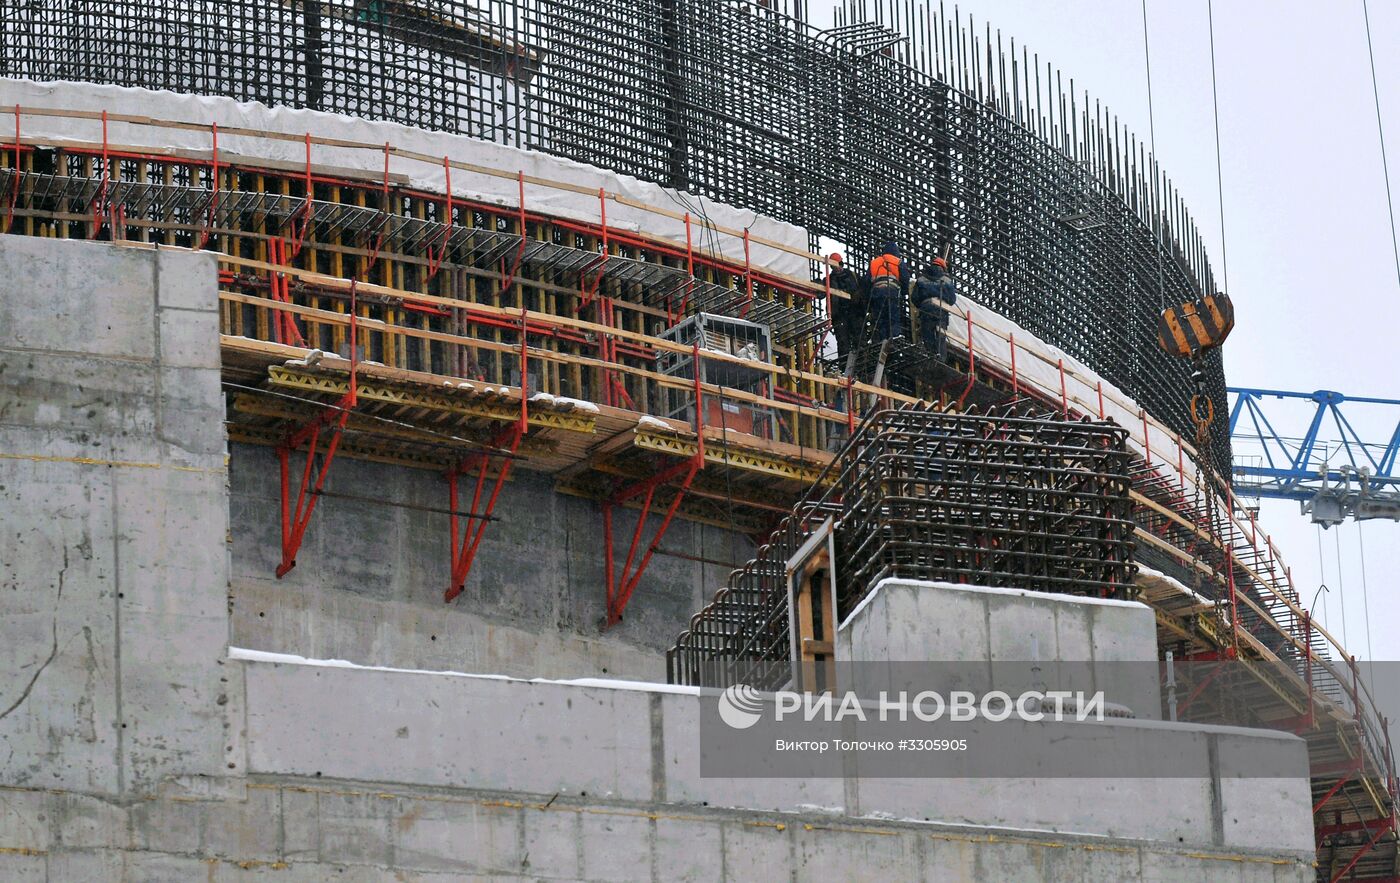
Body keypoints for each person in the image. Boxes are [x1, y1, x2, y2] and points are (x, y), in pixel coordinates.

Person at [913, 256, 957, 360]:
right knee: (940, 336)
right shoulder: (946, 280)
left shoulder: (921, 279)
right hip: (940, 310)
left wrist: (923, 304)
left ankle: (930, 356)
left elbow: (914, 298)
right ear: (943, 268)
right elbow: (952, 300)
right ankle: (940, 359)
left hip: (926, 309)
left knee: (927, 334)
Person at [866, 240, 911, 341]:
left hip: (877, 292)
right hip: (892, 291)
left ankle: (880, 340)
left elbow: (866, 281)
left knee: (879, 319)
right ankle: (894, 338)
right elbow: (905, 279)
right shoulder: (898, 262)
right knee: (893, 317)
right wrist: (903, 293)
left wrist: (867, 298)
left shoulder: (874, 262)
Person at [826, 253, 863, 368]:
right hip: (840, 316)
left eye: (839, 264)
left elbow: (863, 289)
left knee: (859, 340)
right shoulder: (829, 279)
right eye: (833, 266)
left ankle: (862, 366)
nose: (837, 268)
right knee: (843, 344)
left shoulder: (853, 276)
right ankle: (844, 368)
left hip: (855, 313)